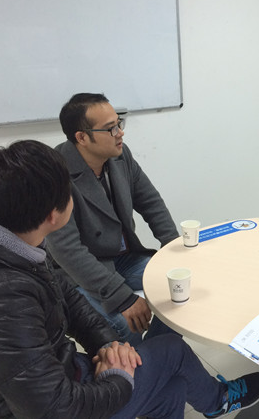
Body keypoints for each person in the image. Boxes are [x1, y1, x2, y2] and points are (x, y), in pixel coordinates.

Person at [0, 140, 259, 419]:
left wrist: (110, 346)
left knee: (170, 387)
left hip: (57, 374)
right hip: (45, 403)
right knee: (172, 351)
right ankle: (217, 401)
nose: (119, 132)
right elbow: (54, 408)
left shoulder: (10, 238)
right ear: (53, 214)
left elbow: (66, 296)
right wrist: (117, 377)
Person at [46, 93, 179, 346]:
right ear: (82, 137)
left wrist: (173, 248)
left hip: (124, 257)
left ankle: (156, 353)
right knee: (125, 325)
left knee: (181, 286)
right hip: (78, 272)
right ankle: (142, 362)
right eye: (111, 128)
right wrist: (123, 299)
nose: (120, 133)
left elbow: (150, 202)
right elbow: (67, 250)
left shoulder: (120, 155)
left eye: (119, 123)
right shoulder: (55, 173)